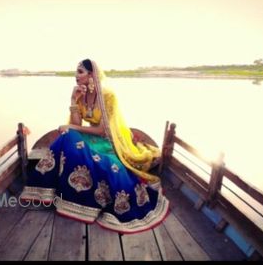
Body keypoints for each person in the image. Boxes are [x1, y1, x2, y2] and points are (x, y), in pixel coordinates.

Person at [20, 59, 169, 234]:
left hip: (108, 140)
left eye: (80, 71)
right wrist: (73, 100)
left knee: (70, 135)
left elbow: (101, 130)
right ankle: (49, 191)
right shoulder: (80, 95)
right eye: (76, 71)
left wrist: (71, 127)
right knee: (67, 138)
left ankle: (49, 188)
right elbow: (76, 122)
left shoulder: (108, 97)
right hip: (90, 138)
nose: (76, 75)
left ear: (92, 75)